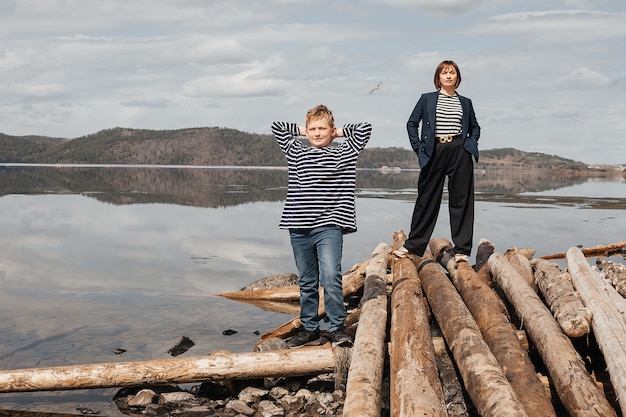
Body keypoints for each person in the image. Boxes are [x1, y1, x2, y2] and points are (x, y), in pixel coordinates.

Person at [271, 105, 372, 348]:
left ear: (331, 129)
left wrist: (337, 133)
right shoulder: (295, 150)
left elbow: (364, 129)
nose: (317, 133)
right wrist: (302, 131)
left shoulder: (345, 152)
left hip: (329, 226)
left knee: (330, 277)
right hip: (299, 226)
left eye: (322, 129)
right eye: (313, 129)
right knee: (307, 281)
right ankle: (310, 329)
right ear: (306, 131)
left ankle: (337, 328)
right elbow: (277, 127)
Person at [402, 60, 481, 262]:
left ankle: (462, 250)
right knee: (426, 198)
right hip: (433, 150)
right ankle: (413, 245)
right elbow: (412, 123)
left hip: (459, 152)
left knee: (461, 200)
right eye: (444, 72)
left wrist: (469, 144)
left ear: (457, 77)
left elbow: (475, 127)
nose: (448, 76)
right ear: (438, 77)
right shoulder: (426, 99)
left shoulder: (466, 102)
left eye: (452, 72)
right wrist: (419, 147)